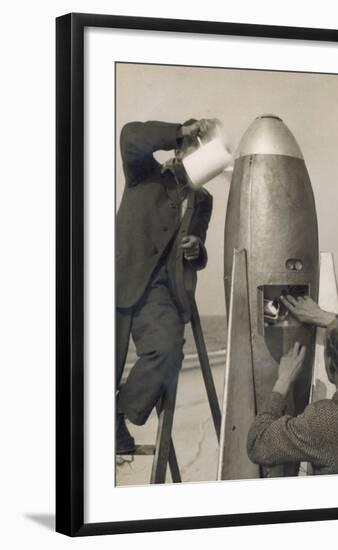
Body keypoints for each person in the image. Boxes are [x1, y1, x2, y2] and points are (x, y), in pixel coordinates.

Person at [116, 118, 216, 453]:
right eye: (194, 146)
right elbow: (130, 136)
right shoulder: (144, 173)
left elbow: (199, 246)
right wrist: (178, 129)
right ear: (180, 149)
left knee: (168, 350)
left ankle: (116, 414)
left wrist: (195, 249)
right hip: (113, 282)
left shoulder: (204, 200)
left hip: (158, 293)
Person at [247, 295, 338, 475]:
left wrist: (282, 382)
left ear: (330, 365)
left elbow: (257, 444)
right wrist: (324, 317)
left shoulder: (322, 421)